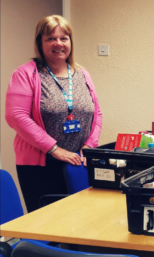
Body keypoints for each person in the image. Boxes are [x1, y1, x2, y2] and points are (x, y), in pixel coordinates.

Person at [5, 15, 103, 212]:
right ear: (40, 42)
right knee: (48, 226)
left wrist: (89, 146)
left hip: (79, 163)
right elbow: (16, 116)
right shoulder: (26, 74)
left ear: (70, 42)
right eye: (51, 38)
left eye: (64, 38)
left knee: (81, 219)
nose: (58, 43)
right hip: (41, 166)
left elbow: (97, 113)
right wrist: (54, 149)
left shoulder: (82, 73)